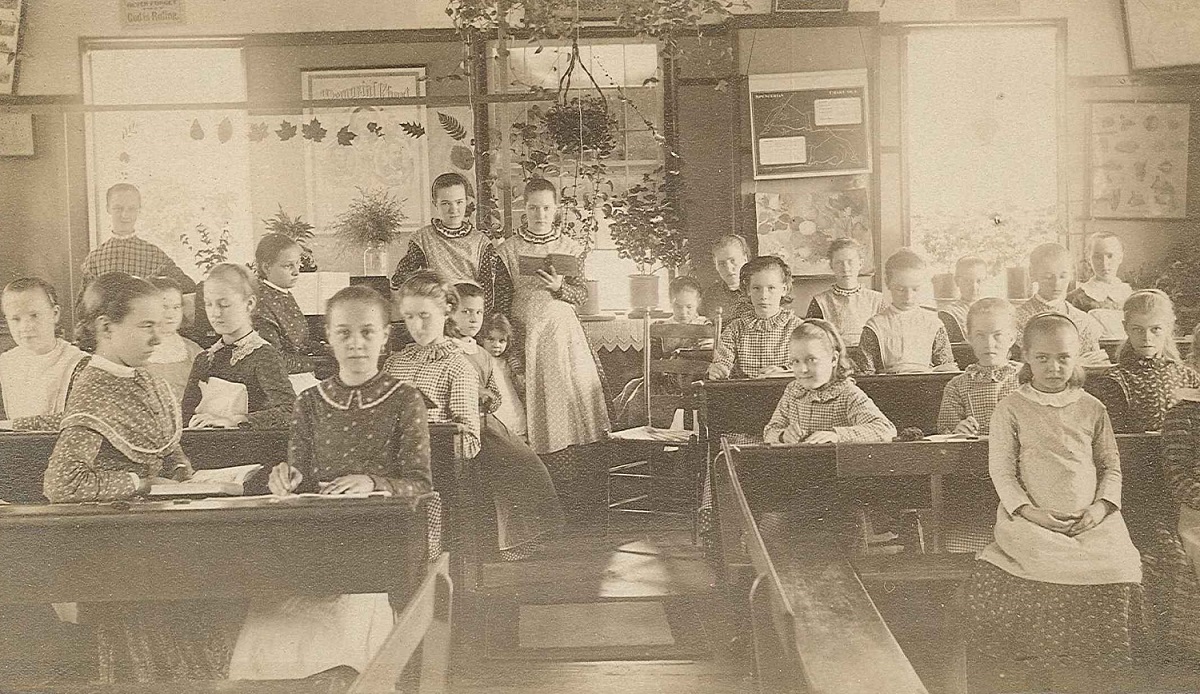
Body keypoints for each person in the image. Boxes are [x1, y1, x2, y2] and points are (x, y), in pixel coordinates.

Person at [229, 285, 433, 681]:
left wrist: (371, 481)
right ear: (329, 336)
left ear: (385, 336)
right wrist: (285, 476)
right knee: (268, 630)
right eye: (344, 333)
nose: (356, 343)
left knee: (339, 637)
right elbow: (299, 472)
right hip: (312, 548)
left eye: (367, 332)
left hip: (377, 548)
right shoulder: (311, 402)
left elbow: (420, 484)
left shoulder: (405, 399)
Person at [44, 272, 232, 683]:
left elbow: (163, 444)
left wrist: (184, 473)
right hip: (120, 551)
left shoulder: (144, 376)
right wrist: (139, 484)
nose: (157, 338)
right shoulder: (93, 386)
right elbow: (62, 483)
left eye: (159, 325)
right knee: (148, 661)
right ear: (107, 328)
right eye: (145, 326)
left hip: (160, 539)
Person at [963, 312, 1144, 689]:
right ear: (1025, 355)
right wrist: (1032, 513)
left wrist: (1099, 508)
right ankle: (1042, 671)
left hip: (1092, 520)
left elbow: (1111, 467)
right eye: (1042, 357)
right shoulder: (1010, 407)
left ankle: (1098, 676)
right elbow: (1003, 473)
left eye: (1063, 357)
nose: (1053, 367)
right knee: (1041, 567)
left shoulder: (1093, 407)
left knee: (1118, 565)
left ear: (1077, 356)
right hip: (1032, 519)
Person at [493, 178, 610, 463]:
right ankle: (540, 454)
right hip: (525, 326)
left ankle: (568, 453)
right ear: (525, 208)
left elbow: (581, 295)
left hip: (561, 330)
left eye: (546, 208)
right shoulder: (507, 249)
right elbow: (502, 298)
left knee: (567, 391)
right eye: (533, 208)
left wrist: (560, 287)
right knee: (530, 390)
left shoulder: (569, 246)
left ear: (555, 208)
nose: (540, 215)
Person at [450, 281, 564, 560]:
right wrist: (472, 392)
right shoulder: (449, 350)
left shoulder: (478, 351)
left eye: (477, 313)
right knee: (512, 466)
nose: (473, 319)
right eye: (465, 313)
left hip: (488, 420)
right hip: (465, 424)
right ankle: (511, 543)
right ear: (449, 313)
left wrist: (491, 397)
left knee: (528, 463)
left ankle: (526, 536)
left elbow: (496, 394)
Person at [181, 263, 293, 429]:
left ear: (249, 304)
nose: (215, 313)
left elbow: (290, 411)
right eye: (208, 304)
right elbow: (185, 416)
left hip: (247, 449)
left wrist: (237, 420)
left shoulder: (263, 355)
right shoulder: (203, 360)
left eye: (224, 304)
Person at [390, 172, 512, 317]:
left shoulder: (481, 242)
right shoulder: (422, 239)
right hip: (436, 314)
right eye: (446, 203)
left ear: (466, 201)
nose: (453, 209)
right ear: (435, 204)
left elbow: (490, 288)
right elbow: (400, 280)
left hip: (470, 316)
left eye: (459, 202)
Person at [762, 319, 895, 445]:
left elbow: (885, 429)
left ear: (833, 359)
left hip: (836, 465)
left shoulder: (847, 393)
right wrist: (783, 435)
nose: (803, 369)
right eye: (796, 361)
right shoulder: (794, 390)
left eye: (811, 359)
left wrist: (837, 435)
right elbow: (770, 430)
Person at [1091, 289, 1200, 434]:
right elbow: (1114, 436)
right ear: (1126, 328)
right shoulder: (1115, 379)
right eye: (1138, 329)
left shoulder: (1188, 376)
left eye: (1155, 329)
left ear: (1168, 327)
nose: (1147, 338)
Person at [613, 276, 714, 428]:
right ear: (670, 302)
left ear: (698, 302)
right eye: (678, 306)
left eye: (689, 307)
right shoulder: (661, 326)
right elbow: (652, 358)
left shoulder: (705, 325)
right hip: (664, 379)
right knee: (632, 388)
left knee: (639, 394)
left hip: (692, 380)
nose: (683, 312)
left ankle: (645, 433)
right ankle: (623, 430)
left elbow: (706, 355)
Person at [0, 277, 87, 430]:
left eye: (34, 315)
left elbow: (77, 417)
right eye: (16, 319)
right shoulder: (5, 363)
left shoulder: (77, 363)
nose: (25, 326)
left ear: (55, 314)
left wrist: (11, 425)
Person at [80, 183, 196, 293]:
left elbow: (188, 287)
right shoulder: (95, 259)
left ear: (139, 209)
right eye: (118, 208)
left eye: (132, 209)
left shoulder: (153, 254)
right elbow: (83, 308)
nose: (125, 215)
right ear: (108, 208)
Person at [859, 249, 957, 374]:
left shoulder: (933, 324)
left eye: (915, 289)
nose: (908, 296)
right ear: (888, 284)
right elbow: (867, 373)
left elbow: (946, 367)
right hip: (886, 389)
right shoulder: (875, 326)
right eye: (900, 289)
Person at [707, 255, 804, 380]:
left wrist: (783, 371)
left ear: (784, 290)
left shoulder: (798, 328)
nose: (763, 296)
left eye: (771, 288)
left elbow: (806, 365)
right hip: (746, 393)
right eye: (756, 288)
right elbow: (723, 360)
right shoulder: (736, 329)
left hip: (786, 391)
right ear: (748, 290)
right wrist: (719, 369)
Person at [936, 298, 1021, 436]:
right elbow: (946, 432)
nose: (988, 343)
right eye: (980, 335)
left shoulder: (1026, 378)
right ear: (969, 338)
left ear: (1011, 338)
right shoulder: (957, 386)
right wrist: (958, 431)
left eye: (997, 335)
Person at [1013, 242, 1107, 364]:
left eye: (1063, 276)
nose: (1056, 284)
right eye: (1048, 277)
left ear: (1071, 274)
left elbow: (1097, 364)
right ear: (1032, 274)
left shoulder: (1084, 321)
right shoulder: (1016, 319)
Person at [253, 233, 320, 393]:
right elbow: (274, 360)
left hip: (297, 371)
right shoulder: (261, 303)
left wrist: (325, 350)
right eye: (288, 266)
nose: (297, 271)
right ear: (266, 267)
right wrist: (317, 362)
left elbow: (298, 341)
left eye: (298, 263)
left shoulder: (281, 292)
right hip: (278, 383)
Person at [805, 237, 883, 348]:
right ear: (831, 266)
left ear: (860, 264)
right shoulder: (820, 301)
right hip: (834, 358)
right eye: (839, 263)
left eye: (850, 262)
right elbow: (810, 340)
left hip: (870, 359)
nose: (845, 268)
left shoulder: (877, 300)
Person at [144, 276, 203, 402]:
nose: (171, 315)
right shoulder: (136, 351)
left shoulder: (193, 351)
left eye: (176, 307)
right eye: (164, 307)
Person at [1068, 232, 1132, 339]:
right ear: (1089, 258)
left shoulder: (1132, 295)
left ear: (1120, 257)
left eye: (1110, 256)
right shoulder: (1074, 299)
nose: (1104, 263)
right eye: (1097, 257)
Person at [480, 312, 526, 440]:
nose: (496, 345)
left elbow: (520, 386)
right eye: (491, 339)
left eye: (502, 341)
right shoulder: (481, 359)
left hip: (510, 404)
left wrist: (518, 372)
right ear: (482, 338)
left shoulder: (507, 362)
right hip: (494, 405)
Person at [701, 234, 753, 323]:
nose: (728, 268)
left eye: (733, 261)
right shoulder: (710, 295)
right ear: (716, 266)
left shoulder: (759, 289)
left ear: (745, 258)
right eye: (721, 264)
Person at [937, 255, 988, 344]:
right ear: (957, 281)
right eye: (967, 281)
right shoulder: (949, 314)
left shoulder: (994, 309)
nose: (974, 287)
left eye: (979, 281)